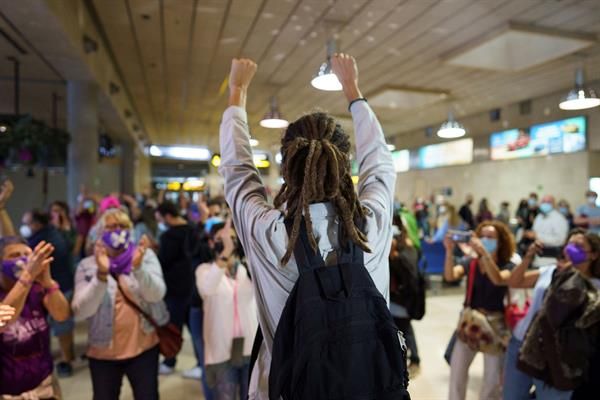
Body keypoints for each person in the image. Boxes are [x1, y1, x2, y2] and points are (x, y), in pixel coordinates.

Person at [219, 55, 396, 399]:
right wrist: (352, 90)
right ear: (344, 165)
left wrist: (237, 92)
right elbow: (381, 164)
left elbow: (237, 171)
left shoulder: (271, 233)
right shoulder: (370, 226)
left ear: (288, 169)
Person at [71, 208, 167, 400]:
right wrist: (101, 276)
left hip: (143, 348)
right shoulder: (87, 266)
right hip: (103, 353)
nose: (117, 230)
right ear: (100, 232)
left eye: (123, 226)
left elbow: (157, 295)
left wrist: (138, 269)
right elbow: (80, 311)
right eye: (111, 226)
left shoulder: (144, 257)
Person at [502, 228, 596, 400]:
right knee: (512, 395)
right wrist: (528, 256)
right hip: (523, 343)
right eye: (570, 244)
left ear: (593, 254)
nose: (572, 249)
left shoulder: (594, 284)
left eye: (579, 246)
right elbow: (514, 281)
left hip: (558, 356)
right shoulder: (551, 271)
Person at [444, 221, 516, 400]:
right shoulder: (471, 263)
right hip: (471, 322)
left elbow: (498, 279)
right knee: (457, 373)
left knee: (492, 380)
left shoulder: (509, 266)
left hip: (495, 325)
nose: (485, 239)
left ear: (501, 242)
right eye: (482, 236)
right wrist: (449, 251)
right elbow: (450, 275)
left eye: (491, 237)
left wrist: (484, 253)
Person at [0, 237, 70, 398]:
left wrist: (48, 282)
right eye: (15, 255)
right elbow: (4, 320)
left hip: (44, 386)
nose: (23, 260)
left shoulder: (36, 289)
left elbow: (61, 315)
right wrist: (27, 278)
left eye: (27, 254)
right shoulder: (25, 282)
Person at [196, 220, 256, 400]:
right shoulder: (204, 270)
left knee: (252, 396)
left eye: (231, 239)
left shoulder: (248, 269)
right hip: (221, 350)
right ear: (211, 242)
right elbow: (207, 289)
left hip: (250, 347)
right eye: (221, 239)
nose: (228, 242)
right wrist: (225, 254)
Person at [21, 209, 76, 377]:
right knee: (63, 328)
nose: (24, 227)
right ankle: (67, 358)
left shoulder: (39, 242)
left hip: (55, 287)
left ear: (37, 224)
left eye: (27, 223)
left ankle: (66, 361)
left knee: (61, 327)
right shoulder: (54, 232)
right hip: (63, 283)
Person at [155, 201, 195, 374]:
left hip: (174, 289)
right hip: (193, 286)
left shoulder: (168, 236)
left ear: (168, 216)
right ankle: (201, 363)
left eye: (161, 219)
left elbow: (164, 261)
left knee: (173, 327)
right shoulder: (192, 229)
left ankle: (170, 361)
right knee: (195, 329)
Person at [389, 221, 422, 377]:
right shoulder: (408, 249)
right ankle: (413, 360)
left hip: (402, 302)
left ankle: (411, 362)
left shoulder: (403, 254)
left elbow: (409, 279)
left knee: (404, 332)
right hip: (401, 301)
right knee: (407, 330)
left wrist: (394, 258)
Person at [531, 195, 569, 267]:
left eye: (548, 202)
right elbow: (534, 232)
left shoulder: (559, 218)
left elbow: (561, 240)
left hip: (551, 259)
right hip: (537, 257)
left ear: (554, 204)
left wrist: (537, 236)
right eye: (543, 201)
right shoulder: (539, 217)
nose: (545, 204)